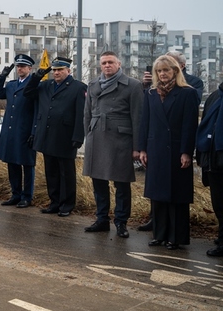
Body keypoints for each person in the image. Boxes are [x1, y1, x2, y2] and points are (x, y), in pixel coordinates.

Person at [138, 50, 203, 232]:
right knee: (157, 195)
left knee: (177, 196)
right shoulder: (151, 93)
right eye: (159, 71)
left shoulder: (187, 93)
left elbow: (189, 126)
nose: (162, 74)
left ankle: (176, 237)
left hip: (176, 150)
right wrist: (142, 148)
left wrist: (186, 152)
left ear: (175, 71)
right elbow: (145, 123)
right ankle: (159, 235)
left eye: (166, 70)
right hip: (156, 149)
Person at [82, 51, 143, 238]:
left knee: (122, 184)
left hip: (120, 140)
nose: (107, 66)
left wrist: (136, 147)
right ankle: (102, 219)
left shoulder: (132, 85)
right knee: (98, 182)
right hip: (97, 137)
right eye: (103, 63)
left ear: (119, 64)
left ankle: (121, 222)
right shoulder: (93, 84)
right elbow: (87, 114)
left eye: (110, 62)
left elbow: (138, 117)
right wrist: (88, 136)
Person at [24, 56, 87, 217]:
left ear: (68, 70)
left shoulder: (78, 87)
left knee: (66, 173)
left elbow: (81, 114)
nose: (57, 73)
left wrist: (78, 136)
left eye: (60, 70)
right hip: (47, 134)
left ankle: (67, 204)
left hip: (65, 136)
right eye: (54, 70)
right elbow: (28, 93)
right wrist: (37, 76)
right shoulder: (46, 85)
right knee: (51, 171)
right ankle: (55, 202)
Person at [0, 54, 37, 208]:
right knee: (12, 163)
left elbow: (37, 110)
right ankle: (15, 194)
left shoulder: (34, 84)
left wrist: (34, 132)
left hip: (25, 130)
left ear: (30, 69)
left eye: (23, 67)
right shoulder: (11, 85)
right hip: (11, 130)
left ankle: (27, 196)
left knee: (27, 165)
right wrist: (1, 77)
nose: (20, 69)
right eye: (18, 66)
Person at [196, 78, 223, 257]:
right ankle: (222, 238)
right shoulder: (215, 97)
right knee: (219, 203)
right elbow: (205, 125)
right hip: (215, 159)